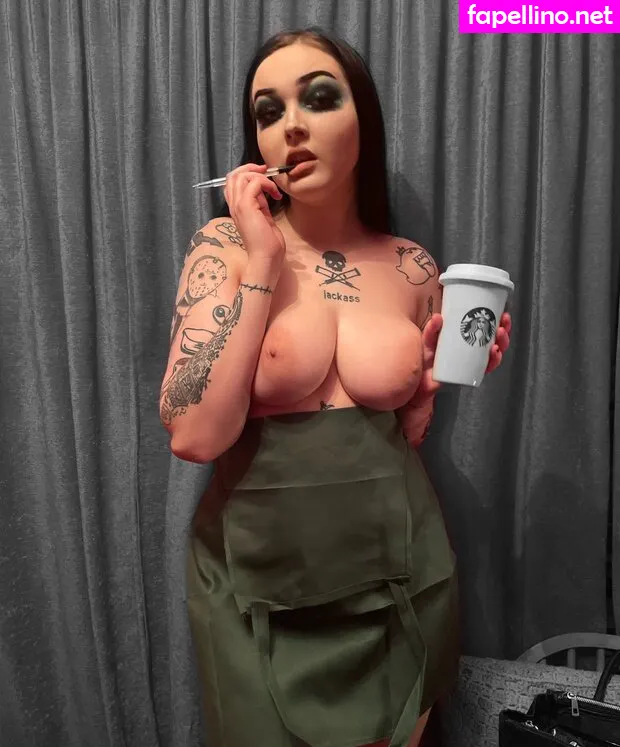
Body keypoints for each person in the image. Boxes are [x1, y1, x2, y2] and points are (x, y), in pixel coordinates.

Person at [160, 27, 511, 747]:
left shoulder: (414, 267)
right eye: (268, 111)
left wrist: (427, 389)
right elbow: (194, 435)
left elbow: (405, 438)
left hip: (399, 579)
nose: (291, 125)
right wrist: (263, 259)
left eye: (319, 98)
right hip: (255, 588)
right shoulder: (224, 247)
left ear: (364, 119)